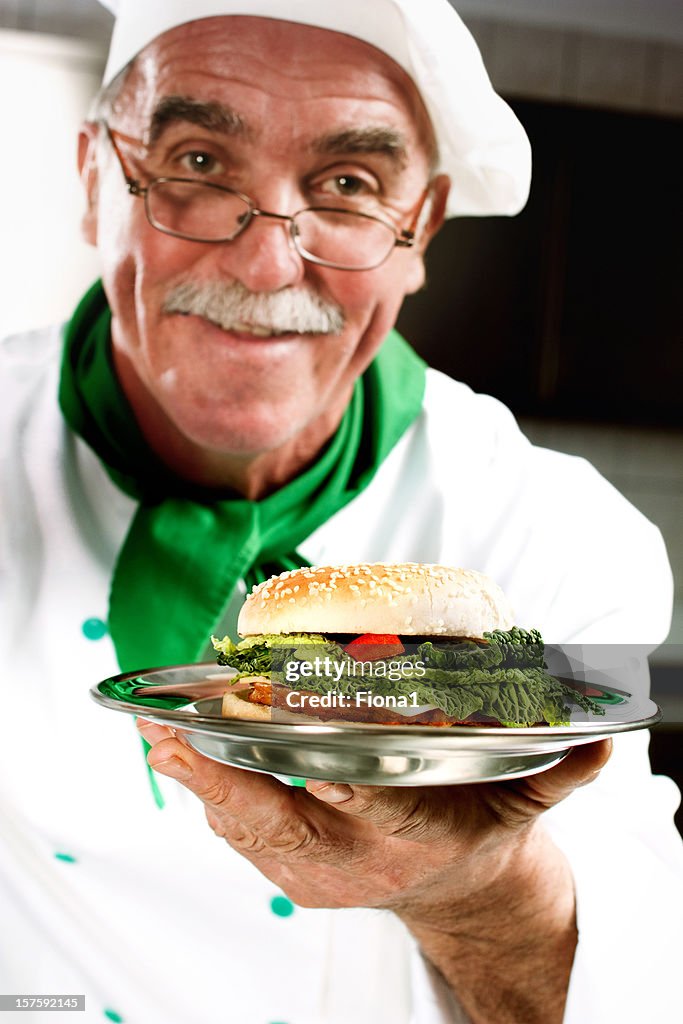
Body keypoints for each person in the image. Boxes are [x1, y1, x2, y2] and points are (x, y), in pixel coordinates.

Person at [1, 1, 682, 1022]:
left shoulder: (556, 536)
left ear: (421, 230)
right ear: (96, 176)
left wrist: (480, 895)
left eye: (349, 186)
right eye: (194, 163)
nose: (267, 263)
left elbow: (627, 992)